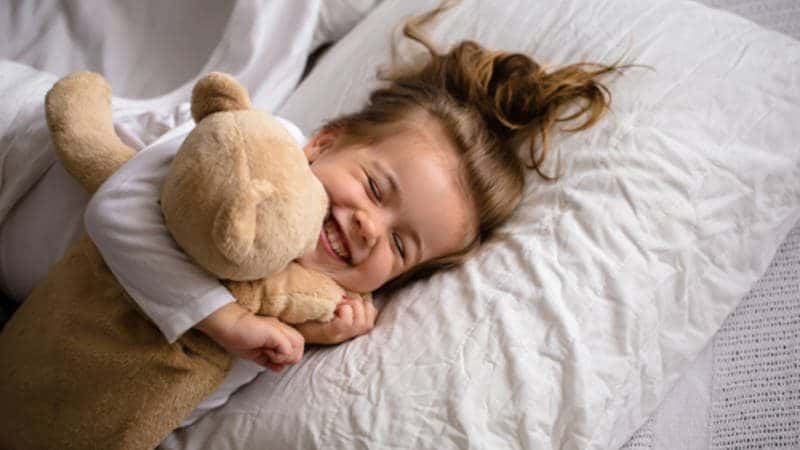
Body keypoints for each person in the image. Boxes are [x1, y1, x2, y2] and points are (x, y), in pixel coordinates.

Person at [0, 7, 624, 426]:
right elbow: (117, 213)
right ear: (323, 144)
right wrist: (226, 322)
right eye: (375, 187)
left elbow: (172, 395)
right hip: (17, 147)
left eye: (401, 247)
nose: (369, 227)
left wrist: (295, 335)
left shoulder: (285, 304)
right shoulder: (252, 150)